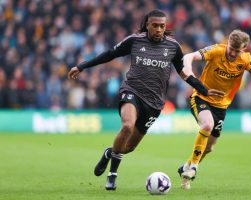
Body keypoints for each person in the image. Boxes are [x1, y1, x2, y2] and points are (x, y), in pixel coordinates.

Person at [67, 9, 224, 191]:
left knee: (128, 148)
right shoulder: (135, 40)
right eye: (155, 25)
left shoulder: (173, 47)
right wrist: (82, 66)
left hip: (154, 103)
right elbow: (110, 54)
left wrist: (203, 89)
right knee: (127, 126)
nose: (158, 29)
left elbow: (184, 73)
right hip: (132, 91)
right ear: (147, 25)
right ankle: (112, 175)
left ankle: (110, 153)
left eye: (162, 26)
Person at [178, 29, 251, 189]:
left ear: (243, 49)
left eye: (237, 50)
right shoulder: (216, 50)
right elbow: (189, 56)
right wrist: (188, 68)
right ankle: (193, 167)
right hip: (201, 98)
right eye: (231, 48)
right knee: (207, 125)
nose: (233, 53)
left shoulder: (245, 59)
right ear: (227, 43)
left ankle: (185, 168)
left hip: (221, 106)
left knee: (209, 147)